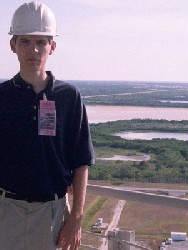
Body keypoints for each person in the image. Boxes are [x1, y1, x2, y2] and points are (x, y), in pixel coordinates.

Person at [0, 1, 94, 250]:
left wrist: (76, 219)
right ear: (13, 45)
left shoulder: (68, 97)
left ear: (52, 47)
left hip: (53, 215)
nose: (34, 50)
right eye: (25, 41)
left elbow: (81, 161)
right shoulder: (2, 96)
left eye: (41, 41)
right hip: (5, 213)